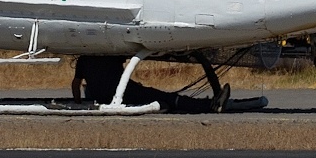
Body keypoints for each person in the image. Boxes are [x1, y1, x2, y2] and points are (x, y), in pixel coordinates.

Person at [70, 55, 228, 113]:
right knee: (165, 97)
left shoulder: (84, 60)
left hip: (104, 96)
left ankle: (207, 104)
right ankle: (209, 105)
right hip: (124, 92)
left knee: (157, 96)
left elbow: (76, 84)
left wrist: (78, 103)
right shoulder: (111, 55)